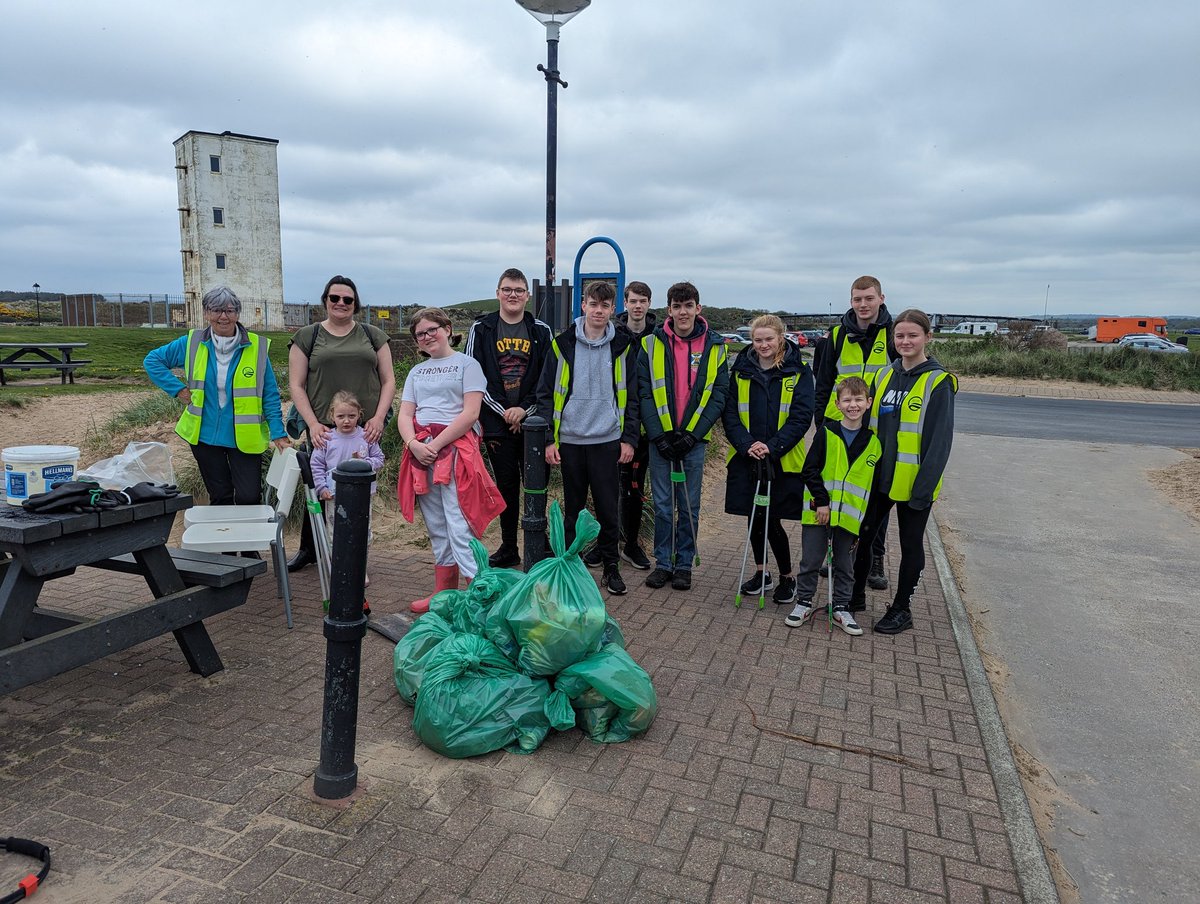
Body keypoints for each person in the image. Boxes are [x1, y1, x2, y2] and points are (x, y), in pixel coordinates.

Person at [848, 309, 956, 634]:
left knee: (910, 546)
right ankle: (853, 597)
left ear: (927, 337)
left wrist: (925, 488)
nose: (905, 341)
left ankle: (901, 609)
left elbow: (940, 441)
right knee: (863, 537)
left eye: (912, 335)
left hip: (913, 484)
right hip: (878, 478)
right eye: (899, 336)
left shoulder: (939, 382)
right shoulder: (882, 376)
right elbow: (867, 429)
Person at [397, 308, 504, 614]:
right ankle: (444, 593)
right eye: (420, 333)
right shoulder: (417, 372)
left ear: (446, 328)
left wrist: (437, 444)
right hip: (421, 452)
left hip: (455, 451)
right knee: (437, 524)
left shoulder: (467, 365)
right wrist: (414, 444)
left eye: (432, 329)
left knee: (459, 523)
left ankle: (478, 597)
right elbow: (406, 413)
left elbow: (470, 413)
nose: (427, 336)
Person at [286, 275, 396, 572]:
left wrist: (378, 418)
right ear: (325, 301)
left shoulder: (372, 335)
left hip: (364, 429)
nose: (341, 303)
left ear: (355, 303)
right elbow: (296, 385)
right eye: (335, 298)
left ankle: (353, 554)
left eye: (347, 299)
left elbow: (388, 380)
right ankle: (311, 549)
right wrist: (311, 423)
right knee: (320, 487)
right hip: (324, 427)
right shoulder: (307, 336)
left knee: (358, 490)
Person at [537, 281, 640, 595]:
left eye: (605, 305)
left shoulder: (623, 345)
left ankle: (611, 568)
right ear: (583, 306)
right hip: (570, 440)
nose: (598, 310)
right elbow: (545, 395)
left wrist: (629, 439)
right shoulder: (562, 344)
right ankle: (571, 567)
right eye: (593, 304)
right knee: (574, 510)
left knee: (609, 509)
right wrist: (549, 440)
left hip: (607, 440)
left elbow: (633, 396)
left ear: (612, 309)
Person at [144, 286, 288, 504]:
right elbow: (153, 361)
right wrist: (177, 389)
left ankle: (246, 537)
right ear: (206, 313)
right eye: (216, 310)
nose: (223, 316)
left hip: (245, 437)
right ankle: (224, 536)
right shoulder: (191, 343)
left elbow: (269, 394)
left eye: (230, 311)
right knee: (220, 496)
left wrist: (277, 431)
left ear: (238, 314)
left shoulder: (257, 348)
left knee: (249, 496)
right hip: (204, 435)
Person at [637, 281, 729, 591]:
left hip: (693, 442)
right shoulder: (650, 345)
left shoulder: (716, 347)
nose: (683, 312)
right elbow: (644, 392)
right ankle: (663, 562)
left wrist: (693, 435)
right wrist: (659, 434)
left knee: (689, 506)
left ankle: (684, 564)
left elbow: (719, 395)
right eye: (677, 306)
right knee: (663, 505)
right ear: (669, 310)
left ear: (698, 308)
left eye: (688, 306)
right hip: (660, 440)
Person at [812, 275, 898, 594]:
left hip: (875, 433)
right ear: (851, 301)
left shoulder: (892, 336)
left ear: (881, 298)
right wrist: (821, 424)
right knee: (837, 493)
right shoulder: (835, 337)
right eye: (857, 299)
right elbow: (822, 384)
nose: (863, 305)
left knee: (875, 500)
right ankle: (835, 554)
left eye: (869, 298)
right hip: (838, 431)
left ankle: (874, 559)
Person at [464, 268, 554, 569]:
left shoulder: (541, 330)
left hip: (534, 424)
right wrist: (504, 410)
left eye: (518, 290)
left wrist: (524, 411)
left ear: (527, 295)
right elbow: (473, 376)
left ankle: (540, 542)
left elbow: (547, 377)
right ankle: (509, 546)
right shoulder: (482, 328)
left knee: (536, 482)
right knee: (506, 486)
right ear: (498, 293)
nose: (512, 295)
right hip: (496, 423)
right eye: (507, 289)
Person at [721, 314, 814, 605]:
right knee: (753, 517)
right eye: (758, 340)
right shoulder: (741, 369)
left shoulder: (798, 371)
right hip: (746, 456)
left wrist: (772, 448)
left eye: (768, 339)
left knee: (773, 519)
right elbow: (730, 413)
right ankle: (762, 572)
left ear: (780, 338)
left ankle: (787, 576)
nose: (763, 345)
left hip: (781, 459)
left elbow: (801, 417)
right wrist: (747, 445)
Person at [784, 376, 880, 635]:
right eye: (847, 399)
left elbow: (871, 485)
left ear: (868, 403)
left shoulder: (873, 442)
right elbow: (810, 471)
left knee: (845, 565)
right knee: (811, 560)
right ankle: (803, 602)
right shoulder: (827, 433)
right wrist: (822, 503)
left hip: (850, 518)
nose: (853, 404)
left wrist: (866, 522)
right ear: (837, 404)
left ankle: (841, 607)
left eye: (858, 399)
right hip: (819, 512)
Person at [310, 391, 385, 585]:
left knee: (362, 531)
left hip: (361, 495)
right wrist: (321, 488)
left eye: (351, 416)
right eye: (341, 416)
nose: (346, 421)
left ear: (359, 414)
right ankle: (339, 567)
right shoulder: (326, 438)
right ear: (332, 415)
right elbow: (316, 465)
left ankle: (360, 569)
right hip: (334, 495)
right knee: (335, 533)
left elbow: (379, 459)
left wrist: (363, 462)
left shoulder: (366, 437)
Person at [613, 280, 656, 570]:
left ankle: (631, 544)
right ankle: (609, 543)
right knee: (610, 488)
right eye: (633, 301)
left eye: (643, 301)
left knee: (636, 489)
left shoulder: (660, 336)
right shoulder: (612, 334)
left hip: (649, 428)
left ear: (649, 304)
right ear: (625, 303)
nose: (638, 306)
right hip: (615, 425)